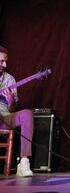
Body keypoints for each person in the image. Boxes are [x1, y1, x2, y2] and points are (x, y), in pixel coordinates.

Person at [0, 46, 34, 177]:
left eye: (5, 61)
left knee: (27, 113)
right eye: (2, 61)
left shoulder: (10, 79)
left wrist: (10, 101)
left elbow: (13, 109)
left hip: (5, 119)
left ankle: (24, 162)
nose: (5, 64)